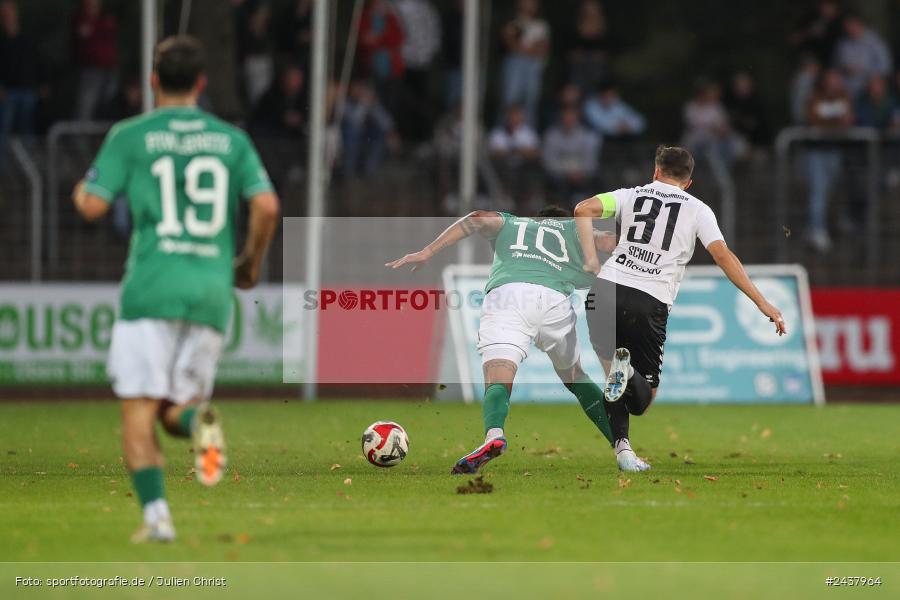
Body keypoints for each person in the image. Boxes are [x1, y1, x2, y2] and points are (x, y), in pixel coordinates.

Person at [71, 36, 280, 543]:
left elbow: (93, 206)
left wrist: (82, 189)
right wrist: (248, 264)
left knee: (139, 411)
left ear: (153, 81)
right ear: (202, 84)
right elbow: (267, 206)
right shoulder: (231, 140)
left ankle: (158, 518)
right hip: (210, 292)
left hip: (151, 289)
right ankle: (198, 422)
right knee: (172, 413)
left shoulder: (131, 134)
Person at [574, 146, 786, 472]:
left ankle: (624, 452)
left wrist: (591, 258)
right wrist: (763, 302)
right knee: (643, 399)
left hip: (602, 292)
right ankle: (627, 378)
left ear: (656, 171)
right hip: (649, 299)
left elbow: (582, 209)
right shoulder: (699, 210)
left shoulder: (629, 195)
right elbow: (722, 255)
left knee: (612, 379)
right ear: (689, 182)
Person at [387, 206, 617, 474]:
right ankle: (622, 445)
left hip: (509, 295)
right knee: (576, 376)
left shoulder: (513, 223)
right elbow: (610, 240)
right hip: (554, 301)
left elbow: (477, 219)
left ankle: (494, 434)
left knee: (499, 374)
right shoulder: (576, 231)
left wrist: (428, 251)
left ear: (535, 219)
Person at [805, 68, 854, 252]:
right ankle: (817, 230)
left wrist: (828, 122)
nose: (835, 84)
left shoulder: (845, 96)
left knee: (832, 191)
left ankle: (816, 226)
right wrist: (835, 122)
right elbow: (813, 119)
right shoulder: (815, 97)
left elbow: (848, 120)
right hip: (817, 152)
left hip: (836, 151)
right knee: (818, 191)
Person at [500, 0, 549, 126]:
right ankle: (503, 132)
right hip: (515, 65)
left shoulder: (541, 25)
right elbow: (509, 43)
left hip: (533, 66)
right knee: (510, 98)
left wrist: (522, 48)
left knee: (530, 101)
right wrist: (529, 49)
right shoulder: (513, 22)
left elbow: (542, 48)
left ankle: (528, 133)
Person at [542, 105, 600, 207]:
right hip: (559, 176)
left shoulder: (586, 135)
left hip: (583, 175)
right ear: (561, 118)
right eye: (566, 116)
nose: (568, 119)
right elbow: (549, 161)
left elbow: (591, 160)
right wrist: (567, 173)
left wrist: (580, 172)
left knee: (597, 181)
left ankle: (595, 215)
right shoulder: (551, 135)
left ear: (577, 117)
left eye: (571, 116)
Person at [833, 14, 892, 99]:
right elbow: (835, 65)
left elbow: (886, 66)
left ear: (860, 24)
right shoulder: (842, 44)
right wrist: (844, 69)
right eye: (847, 27)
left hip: (868, 84)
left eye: (852, 26)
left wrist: (864, 70)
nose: (850, 29)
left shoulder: (875, 41)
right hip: (846, 84)